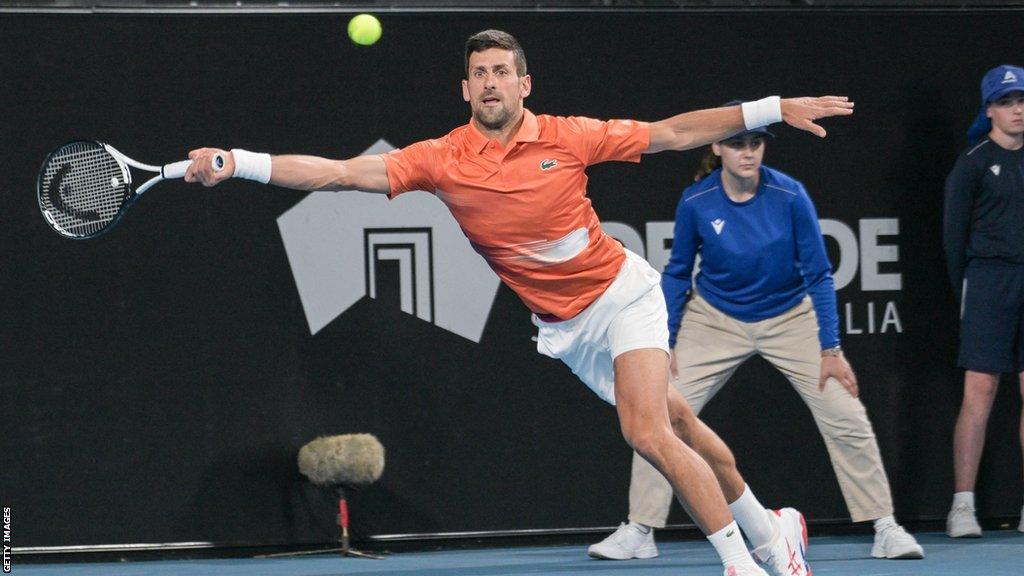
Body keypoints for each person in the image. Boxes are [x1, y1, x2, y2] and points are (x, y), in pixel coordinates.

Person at [184, 30, 853, 576]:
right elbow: (336, 172)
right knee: (677, 426)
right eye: (479, 73)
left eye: (502, 70)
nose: (491, 82)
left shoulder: (569, 136)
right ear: (466, 88)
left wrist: (767, 108)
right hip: (567, 328)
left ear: (524, 84)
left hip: (623, 296)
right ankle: (773, 532)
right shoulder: (441, 158)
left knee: (645, 431)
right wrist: (238, 160)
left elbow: (671, 132)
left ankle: (743, 565)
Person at [588, 116, 924, 562]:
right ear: (718, 151)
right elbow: (676, 273)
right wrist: (662, 344)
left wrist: (831, 349)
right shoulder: (697, 201)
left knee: (845, 411)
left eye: (756, 143)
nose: (748, 151)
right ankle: (640, 528)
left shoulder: (790, 195)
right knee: (659, 412)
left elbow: (820, 273)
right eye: (737, 143)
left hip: (790, 317)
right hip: (714, 318)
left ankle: (885, 525)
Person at [943, 63, 1024, 538]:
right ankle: (963, 506)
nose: (1017, 111)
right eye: (1007, 103)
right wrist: (970, 292)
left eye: (1021, 102)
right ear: (989, 109)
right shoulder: (973, 162)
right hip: (989, 281)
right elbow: (954, 240)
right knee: (981, 391)